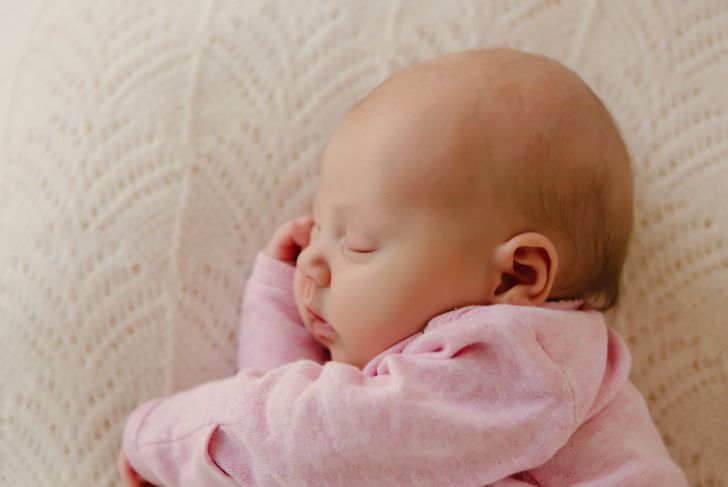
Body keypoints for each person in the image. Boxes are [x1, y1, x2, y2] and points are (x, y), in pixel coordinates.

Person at [119, 48, 688, 486]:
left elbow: (310, 445)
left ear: (516, 277)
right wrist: (278, 296)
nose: (315, 260)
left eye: (359, 243)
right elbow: (297, 450)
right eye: (316, 229)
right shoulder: (437, 401)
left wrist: (161, 435)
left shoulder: (522, 365)